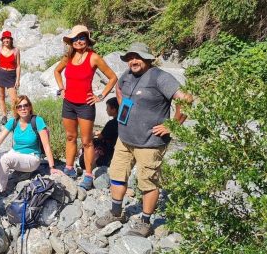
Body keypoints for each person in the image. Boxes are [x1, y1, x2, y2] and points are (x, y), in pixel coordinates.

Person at [95, 42, 193, 237]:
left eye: (137, 57)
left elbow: (186, 99)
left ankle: (146, 221)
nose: (133, 61)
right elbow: (120, 89)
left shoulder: (160, 77)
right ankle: (116, 212)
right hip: (125, 139)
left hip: (150, 143)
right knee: (117, 174)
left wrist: (171, 125)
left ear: (148, 59)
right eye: (130, 57)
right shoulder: (128, 76)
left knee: (147, 182)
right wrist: (124, 109)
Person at [53, 24, 118, 190]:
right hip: (68, 103)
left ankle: (88, 175)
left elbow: (112, 77)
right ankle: (69, 169)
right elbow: (57, 71)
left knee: (87, 141)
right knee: (70, 136)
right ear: (71, 42)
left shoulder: (93, 57)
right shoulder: (68, 57)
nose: (78, 41)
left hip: (85, 105)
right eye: (75, 38)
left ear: (87, 40)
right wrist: (61, 89)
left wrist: (101, 96)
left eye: (82, 38)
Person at [0, 96, 55, 197]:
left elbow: (46, 145)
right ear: (16, 109)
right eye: (19, 106)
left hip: (32, 157)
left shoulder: (37, 121)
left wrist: (52, 167)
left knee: (5, 159)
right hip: (15, 153)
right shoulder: (13, 122)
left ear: (30, 107)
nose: (23, 108)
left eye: (25, 105)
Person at [0, 31, 21, 124]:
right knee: (1, 96)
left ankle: (16, 117)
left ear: (11, 40)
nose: (6, 40)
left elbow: (18, 66)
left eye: (8, 38)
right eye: (4, 38)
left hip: (11, 75)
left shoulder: (16, 50)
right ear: (2, 40)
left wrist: (18, 80)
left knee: (14, 98)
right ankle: (4, 116)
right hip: (0, 74)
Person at [79, 98, 119, 168]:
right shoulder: (120, 122)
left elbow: (101, 136)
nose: (106, 110)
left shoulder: (111, 123)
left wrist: (93, 134)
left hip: (107, 151)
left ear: (114, 109)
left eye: (108, 107)